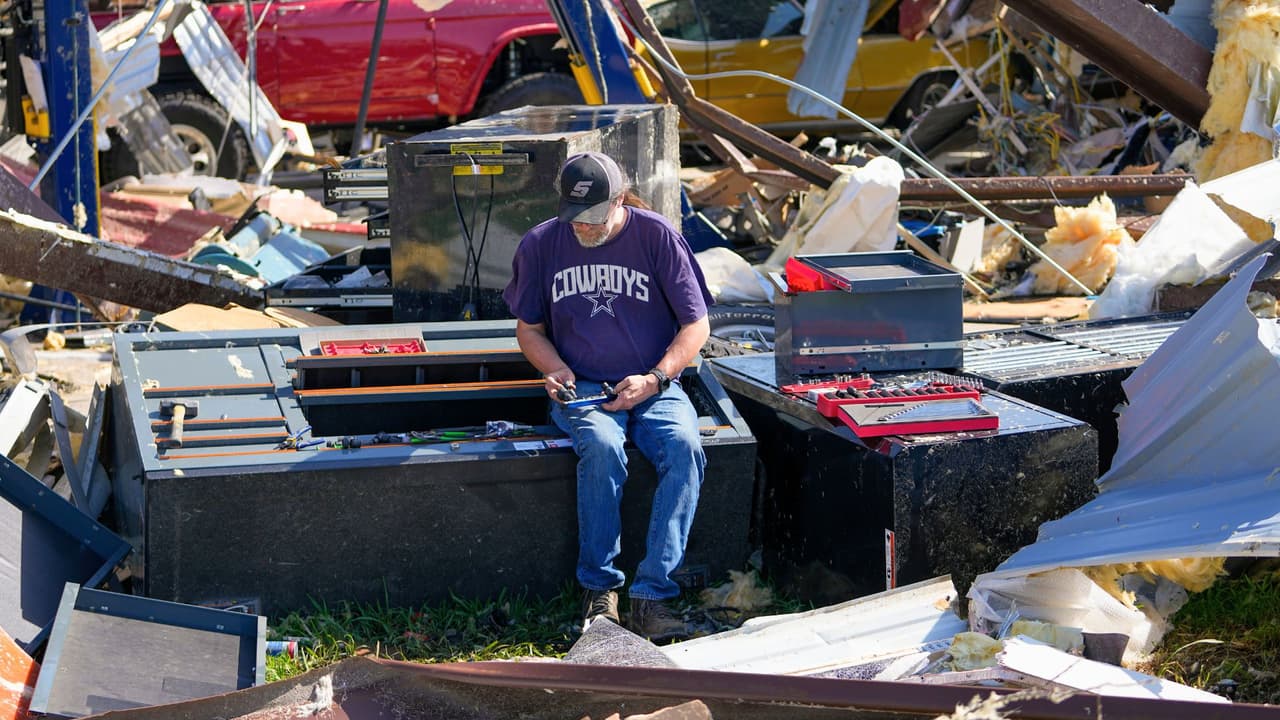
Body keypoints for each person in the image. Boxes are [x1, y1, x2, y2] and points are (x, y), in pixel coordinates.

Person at [502, 151, 713, 642]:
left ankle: (652, 596)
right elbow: (528, 327)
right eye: (573, 217)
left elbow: (696, 324)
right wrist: (553, 368)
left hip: (655, 382)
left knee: (686, 448)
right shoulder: (541, 243)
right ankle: (599, 592)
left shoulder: (657, 236)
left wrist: (657, 378)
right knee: (601, 447)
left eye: (593, 218)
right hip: (586, 387)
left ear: (620, 201)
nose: (582, 228)